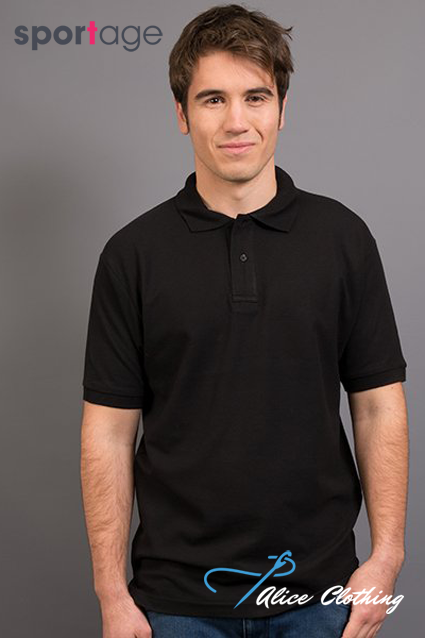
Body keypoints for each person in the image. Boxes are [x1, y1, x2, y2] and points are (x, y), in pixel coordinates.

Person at [80, 4, 409, 637]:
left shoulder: (343, 239)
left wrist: (386, 556)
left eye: (256, 97)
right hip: (175, 602)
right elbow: (109, 433)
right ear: (182, 114)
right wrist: (110, 592)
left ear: (282, 108)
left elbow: (377, 405)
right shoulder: (133, 255)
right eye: (213, 99)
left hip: (319, 595)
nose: (237, 121)